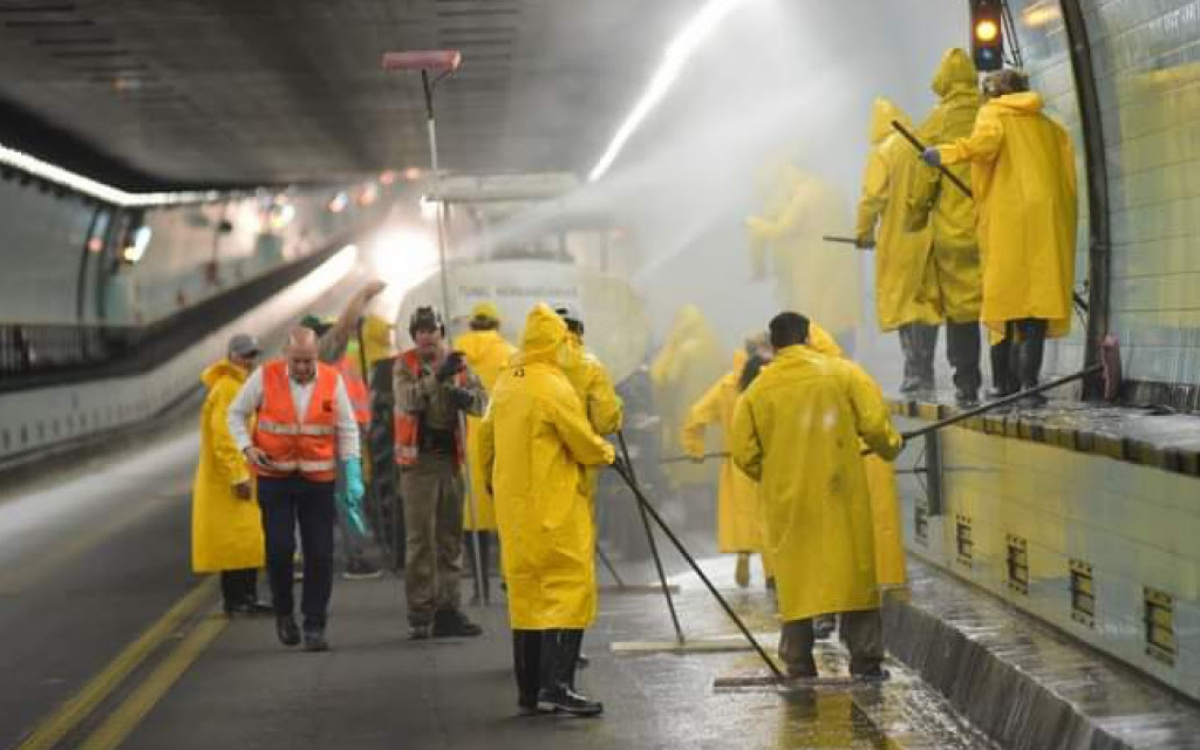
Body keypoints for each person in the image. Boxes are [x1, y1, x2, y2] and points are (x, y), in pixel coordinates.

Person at [732, 312, 903, 679]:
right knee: (854, 574)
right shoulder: (843, 373)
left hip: (789, 503)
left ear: (775, 346)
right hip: (842, 496)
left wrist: (776, 474)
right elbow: (875, 425)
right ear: (808, 337)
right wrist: (891, 446)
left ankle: (798, 661)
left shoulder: (757, 391)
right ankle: (866, 661)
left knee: (797, 580)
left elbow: (744, 454)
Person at [480, 303, 616, 716]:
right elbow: (582, 440)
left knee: (526, 594)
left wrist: (494, 484)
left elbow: (484, 442)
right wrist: (607, 454)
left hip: (515, 511)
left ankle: (529, 691)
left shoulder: (506, 382)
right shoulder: (553, 385)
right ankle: (558, 685)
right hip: (555, 507)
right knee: (569, 589)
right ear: (557, 342)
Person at [922, 68, 1077, 406]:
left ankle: (1002, 385)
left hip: (1008, 218)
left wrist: (944, 154)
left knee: (1004, 299)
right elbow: (1067, 180)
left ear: (993, 95)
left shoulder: (993, 114)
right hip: (1046, 221)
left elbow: (984, 144)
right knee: (1035, 304)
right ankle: (1029, 386)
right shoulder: (1050, 127)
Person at [227, 327, 364, 652]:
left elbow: (346, 428)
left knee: (320, 554)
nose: (303, 368)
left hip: (318, 481)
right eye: (298, 361)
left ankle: (314, 625)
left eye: (309, 361)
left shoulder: (332, 380)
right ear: (285, 356)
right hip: (275, 477)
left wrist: (353, 470)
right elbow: (234, 414)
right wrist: (247, 448)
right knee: (279, 549)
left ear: (316, 356)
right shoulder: (265, 377)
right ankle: (284, 612)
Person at [393, 305, 487, 639]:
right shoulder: (405, 366)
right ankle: (420, 613)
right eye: (419, 331)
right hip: (419, 466)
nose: (425, 337)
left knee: (450, 540)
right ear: (413, 336)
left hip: (450, 462)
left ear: (440, 331)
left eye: (430, 330)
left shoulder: (459, 362)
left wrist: (467, 398)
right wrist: (439, 377)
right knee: (421, 542)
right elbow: (408, 401)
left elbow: (483, 402)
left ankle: (449, 610)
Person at [907, 48, 986, 406]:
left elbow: (925, 176)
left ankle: (967, 383)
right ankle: (1011, 380)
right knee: (1002, 305)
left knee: (961, 312)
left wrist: (916, 215)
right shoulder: (991, 113)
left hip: (954, 230)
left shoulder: (936, 122)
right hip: (994, 225)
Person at [855, 97, 942, 396]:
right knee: (928, 305)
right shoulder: (922, 143)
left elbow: (872, 198)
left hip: (900, 239)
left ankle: (915, 373)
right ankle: (927, 370)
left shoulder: (884, 152)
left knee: (906, 307)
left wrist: (863, 232)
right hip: (931, 236)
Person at [192, 333, 271, 616]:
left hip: (242, 473)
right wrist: (238, 475)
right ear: (232, 356)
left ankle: (245, 597)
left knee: (244, 540)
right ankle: (238, 600)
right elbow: (224, 437)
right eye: (246, 355)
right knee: (236, 541)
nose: (251, 360)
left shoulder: (239, 385)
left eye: (253, 355)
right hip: (230, 479)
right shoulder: (227, 388)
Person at [747, 160, 863, 350]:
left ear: (796, 171)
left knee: (817, 326)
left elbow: (783, 229)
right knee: (843, 325)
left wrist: (755, 224)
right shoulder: (833, 190)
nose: (786, 181)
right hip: (842, 272)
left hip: (816, 275)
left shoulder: (806, 194)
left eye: (787, 174)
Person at [681, 343, 765, 589]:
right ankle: (774, 574)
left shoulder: (727, 386)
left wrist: (694, 448)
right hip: (773, 459)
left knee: (744, 513)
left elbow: (696, 414)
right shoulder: (774, 377)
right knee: (771, 516)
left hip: (737, 461)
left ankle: (744, 553)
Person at [453, 302, 517, 603]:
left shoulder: (456, 354)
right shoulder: (511, 354)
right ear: (497, 325)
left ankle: (481, 590)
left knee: (474, 518)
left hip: (466, 442)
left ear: (471, 326)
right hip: (502, 440)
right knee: (507, 514)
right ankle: (510, 578)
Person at [649, 305, 725, 494]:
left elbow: (667, 379)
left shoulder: (684, 351)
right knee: (711, 461)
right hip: (716, 419)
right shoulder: (718, 348)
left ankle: (692, 512)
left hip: (687, 416)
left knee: (690, 466)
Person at [362, 313, 405, 570]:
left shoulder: (372, 365)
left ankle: (390, 546)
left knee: (383, 494)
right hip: (397, 439)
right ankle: (397, 549)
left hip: (374, 439)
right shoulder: (393, 364)